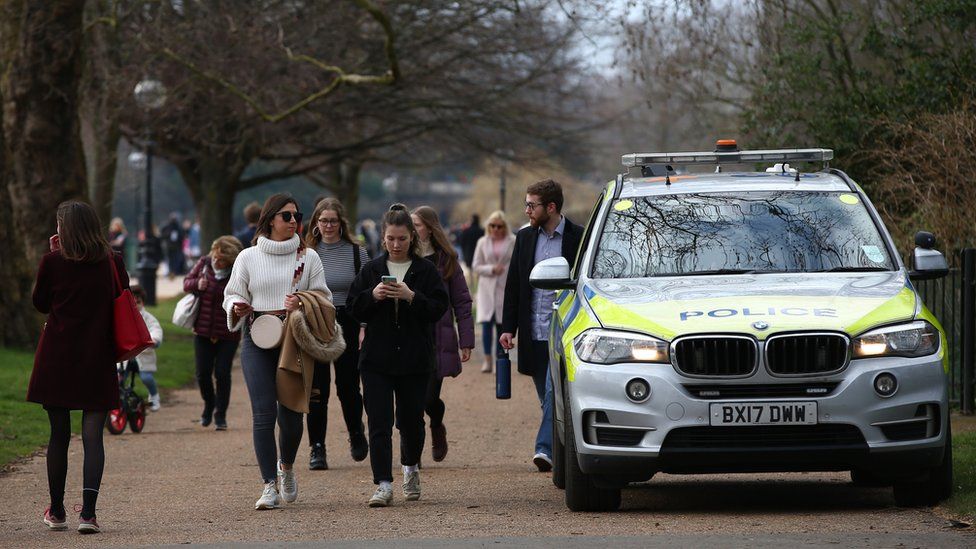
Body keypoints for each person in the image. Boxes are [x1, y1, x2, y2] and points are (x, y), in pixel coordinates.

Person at [223, 193, 332, 510]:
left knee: (292, 415)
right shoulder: (248, 257)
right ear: (270, 219)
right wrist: (236, 306)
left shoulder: (308, 257)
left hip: (294, 339)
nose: (294, 221)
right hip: (256, 336)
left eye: (297, 216)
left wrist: (304, 301)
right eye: (287, 216)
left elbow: (324, 299)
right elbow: (231, 294)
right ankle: (268, 484)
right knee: (263, 412)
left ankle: (286, 467)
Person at [28, 200, 128, 534]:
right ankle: (88, 513)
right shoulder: (112, 262)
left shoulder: (52, 262)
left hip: (57, 354)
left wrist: (53, 255)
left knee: (58, 434)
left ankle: (57, 511)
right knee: (92, 436)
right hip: (96, 354)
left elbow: (40, 303)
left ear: (63, 228)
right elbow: (123, 294)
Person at [348, 204, 449, 507]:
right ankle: (382, 483)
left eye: (402, 239)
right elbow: (353, 308)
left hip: (414, 359)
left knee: (411, 422)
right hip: (376, 359)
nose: (395, 244)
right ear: (383, 237)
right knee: (378, 422)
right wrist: (373, 296)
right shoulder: (371, 270)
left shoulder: (425, 270)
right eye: (391, 238)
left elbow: (438, 309)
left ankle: (411, 467)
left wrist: (411, 297)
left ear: (412, 238)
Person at [499, 179, 584, 472]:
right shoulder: (524, 239)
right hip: (533, 330)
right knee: (547, 398)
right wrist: (507, 328)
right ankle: (563, 455)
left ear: (551, 207)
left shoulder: (578, 238)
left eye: (531, 205)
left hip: (563, 331)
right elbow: (514, 286)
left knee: (552, 390)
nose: (526, 210)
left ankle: (544, 449)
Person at [303, 198, 370, 469]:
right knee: (317, 389)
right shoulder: (307, 253)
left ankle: (356, 432)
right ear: (316, 224)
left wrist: (365, 327)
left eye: (333, 221)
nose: (328, 226)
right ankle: (317, 447)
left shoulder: (357, 253)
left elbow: (367, 294)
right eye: (323, 221)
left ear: (341, 223)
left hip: (348, 320)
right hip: (316, 320)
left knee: (348, 386)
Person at [411, 205, 474, 463]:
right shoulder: (402, 256)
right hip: (409, 337)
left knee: (429, 398)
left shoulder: (446, 259)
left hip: (437, 337)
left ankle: (436, 423)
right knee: (410, 401)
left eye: (416, 225)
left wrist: (466, 340)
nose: (413, 230)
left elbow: (461, 300)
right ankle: (412, 454)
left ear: (429, 228)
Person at [183, 235, 244, 430]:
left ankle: (220, 414)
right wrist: (196, 285)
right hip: (203, 330)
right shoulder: (204, 263)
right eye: (215, 256)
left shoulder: (237, 272)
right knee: (202, 373)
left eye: (221, 259)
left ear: (230, 260)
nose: (216, 261)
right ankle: (209, 404)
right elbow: (186, 282)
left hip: (228, 332)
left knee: (222, 373)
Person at [471, 211, 515, 374]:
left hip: (504, 287)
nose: (496, 229)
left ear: (505, 227)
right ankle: (487, 360)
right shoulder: (483, 242)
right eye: (492, 226)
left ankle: (499, 359)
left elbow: (517, 263)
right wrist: (491, 269)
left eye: (499, 226)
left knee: (501, 327)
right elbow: (476, 265)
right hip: (486, 289)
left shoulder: (512, 241)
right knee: (486, 325)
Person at [129, 285, 163, 411]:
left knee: (146, 377)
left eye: (138, 302)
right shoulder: (124, 317)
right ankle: (118, 399)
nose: (135, 305)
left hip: (143, 355)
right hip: (126, 356)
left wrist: (154, 340)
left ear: (142, 302)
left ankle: (154, 396)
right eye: (132, 302)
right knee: (118, 378)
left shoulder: (148, 318)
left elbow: (155, 329)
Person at [161, 212, 186, 277]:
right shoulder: (167, 227)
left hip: (176, 247)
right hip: (169, 247)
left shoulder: (178, 227)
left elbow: (182, 236)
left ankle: (175, 272)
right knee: (170, 260)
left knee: (176, 260)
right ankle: (171, 272)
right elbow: (163, 235)